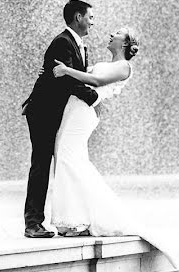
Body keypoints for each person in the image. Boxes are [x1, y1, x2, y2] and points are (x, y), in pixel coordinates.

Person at [21, 0, 100, 239]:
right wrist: (94, 98)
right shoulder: (62, 42)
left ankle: (71, 218)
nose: (92, 22)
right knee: (41, 165)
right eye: (90, 17)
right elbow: (67, 80)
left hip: (56, 114)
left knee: (63, 164)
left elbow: (73, 76)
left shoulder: (76, 44)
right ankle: (33, 223)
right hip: (44, 113)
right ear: (78, 17)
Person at [48, 27, 138, 237]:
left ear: (125, 43)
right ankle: (75, 218)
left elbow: (96, 82)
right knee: (69, 158)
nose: (111, 35)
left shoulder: (125, 67)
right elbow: (80, 77)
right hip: (76, 108)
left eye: (117, 33)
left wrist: (66, 71)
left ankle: (76, 221)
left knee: (67, 158)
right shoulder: (102, 64)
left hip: (85, 112)